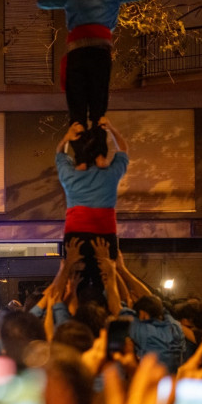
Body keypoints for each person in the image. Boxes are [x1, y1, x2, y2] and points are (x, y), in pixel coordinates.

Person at [36, 0, 152, 129]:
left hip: (77, 49)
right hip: (100, 49)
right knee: (98, 103)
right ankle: (98, 130)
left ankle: (79, 129)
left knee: (77, 107)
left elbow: (43, 2)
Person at [56, 117, 128, 291]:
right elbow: (124, 149)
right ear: (99, 156)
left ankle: (73, 306)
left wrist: (67, 137)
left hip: (76, 233)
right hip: (104, 232)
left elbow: (60, 154)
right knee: (106, 281)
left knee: (75, 280)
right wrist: (111, 128)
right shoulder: (110, 175)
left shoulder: (69, 176)